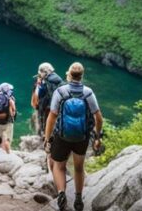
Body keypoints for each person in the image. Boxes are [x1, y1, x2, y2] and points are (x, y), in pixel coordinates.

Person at [44, 62, 104, 211]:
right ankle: (78, 199)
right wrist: (97, 137)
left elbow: (52, 116)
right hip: (81, 138)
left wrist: (47, 138)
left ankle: (62, 193)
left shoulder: (61, 92)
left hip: (62, 135)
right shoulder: (88, 93)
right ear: (82, 76)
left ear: (69, 74)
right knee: (78, 168)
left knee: (59, 166)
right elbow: (98, 118)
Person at [32, 62, 64, 136]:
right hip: (57, 107)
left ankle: (43, 135)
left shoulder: (47, 81)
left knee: (44, 124)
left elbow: (41, 94)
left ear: (45, 72)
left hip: (47, 107)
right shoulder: (58, 79)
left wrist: (39, 84)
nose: (39, 75)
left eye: (40, 73)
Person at [0, 82, 17, 153]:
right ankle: (7, 154)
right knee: (7, 138)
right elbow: (13, 111)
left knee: (0, 137)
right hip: (7, 122)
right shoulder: (11, 99)